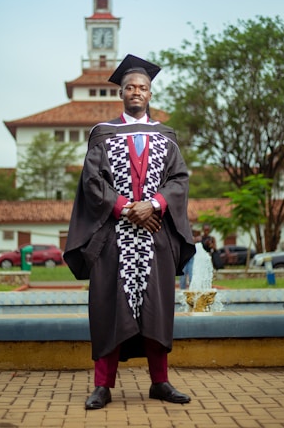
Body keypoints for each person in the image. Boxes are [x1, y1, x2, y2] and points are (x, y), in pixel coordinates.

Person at [64, 54, 195, 410]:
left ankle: (160, 382)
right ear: (121, 92)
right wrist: (126, 207)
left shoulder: (165, 136)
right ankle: (102, 386)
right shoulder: (103, 134)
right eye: (130, 87)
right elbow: (92, 182)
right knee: (108, 308)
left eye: (143, 88)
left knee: (157, 309)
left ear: (150, 94)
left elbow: (179, 179)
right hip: (113, 239)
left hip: (156, 237)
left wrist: (153, 204)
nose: (137, 92)